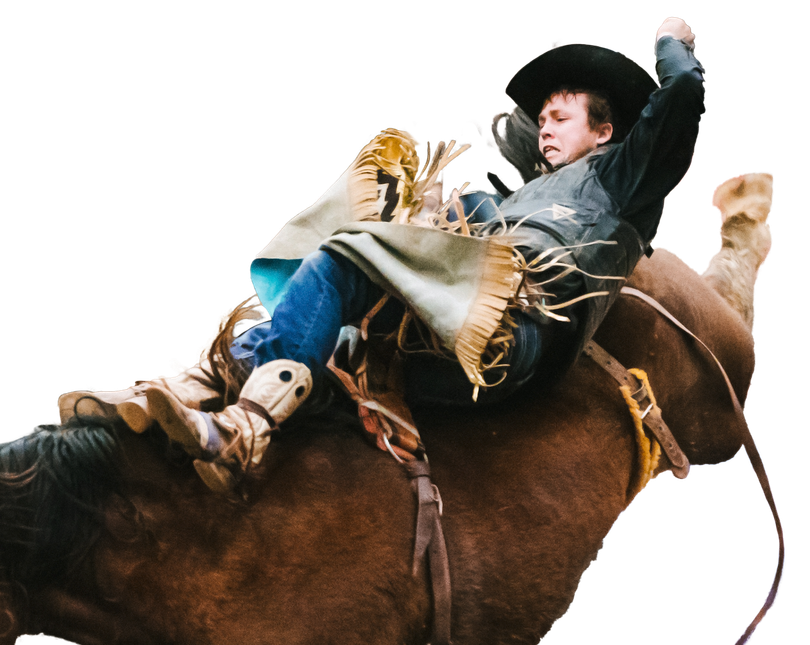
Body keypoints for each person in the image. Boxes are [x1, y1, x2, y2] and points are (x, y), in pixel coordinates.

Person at [60, 17, 703, 492]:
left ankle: (246, 423)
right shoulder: (511, 201)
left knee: (357, 252)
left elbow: (679, 95)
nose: (548, 127)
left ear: (607, 131)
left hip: (513, 334)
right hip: (442, 336)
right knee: (341, 318)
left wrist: (672, 40)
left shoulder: (623, 178)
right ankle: (207, 387)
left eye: (562, 116)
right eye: (544, 119)